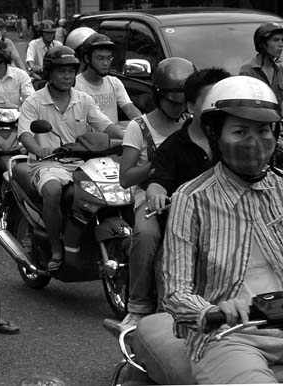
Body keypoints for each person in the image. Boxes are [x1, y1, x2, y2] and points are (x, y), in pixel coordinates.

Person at [162, 75, 283, 384]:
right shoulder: (191, 199)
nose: (255, 143)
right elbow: (176, 293)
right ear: (215, 135)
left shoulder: (281, 188)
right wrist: (215, 309)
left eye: (264, 130)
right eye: (240, 131)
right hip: (231, 335)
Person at [18, 46, 124, 271]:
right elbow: (25, 133)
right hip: (47, 164)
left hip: (81, 162)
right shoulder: (34, 101)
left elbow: (106, 125)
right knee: (53, 190)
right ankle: (57, 248)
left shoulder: (83, 99)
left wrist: (131, 137)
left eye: (70, 72)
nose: (67, 77)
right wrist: (38, 149)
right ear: (49, 73)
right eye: (61, 72)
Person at [117, 57, 196, 331]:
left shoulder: (193, 125)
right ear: (158, 96)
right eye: (173, 102)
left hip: (187, 197)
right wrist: (158, 164)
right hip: (146, 196)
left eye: (184, 102)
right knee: (147, 234)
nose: (180, 108)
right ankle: (138, 305)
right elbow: (125, 177)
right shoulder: (138, 127)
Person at [145, 67, 231, 213]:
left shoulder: (234, 141)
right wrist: (156, 196)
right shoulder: (170, 148)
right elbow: (157, 184)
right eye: (209, 101)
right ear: (190, 106)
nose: (217, 108)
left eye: (221, 101)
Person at [74, 33, 141, 127]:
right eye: (100, 58)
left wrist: (144, 127)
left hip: (116, 137)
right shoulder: (75, 85)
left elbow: (129, 108)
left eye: (109, 58)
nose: (105, 63)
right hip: (91, 140)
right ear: (87, 59)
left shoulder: (114, 82)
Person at [240, 22, 283, 107]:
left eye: (282, 40)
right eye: (275, 40)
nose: (281, 45)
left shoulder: (280, 69)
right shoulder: (248, 70)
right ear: (262, 44)